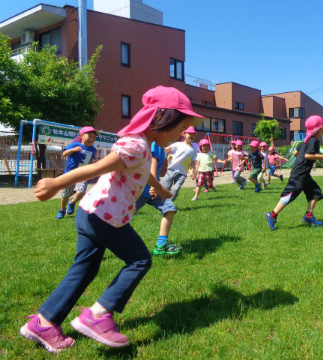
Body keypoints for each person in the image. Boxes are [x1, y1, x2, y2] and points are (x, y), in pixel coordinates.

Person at [19, 86, 203, 353]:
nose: (179, 136)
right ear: (163, 120)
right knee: (140, 259)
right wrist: (57, 183)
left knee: (84, 268)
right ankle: (98, 316)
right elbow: (94, 169)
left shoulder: (139, 145)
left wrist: (160, 187)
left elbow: (137, 168)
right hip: (104, 218)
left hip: (91, 213)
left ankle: (43, 322)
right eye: (180, 128)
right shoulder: (137, 145)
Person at [264, 115, 323, 231]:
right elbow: (307, 155)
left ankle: (309, 216)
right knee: (289, 195)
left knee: (316, 193)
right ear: (320, 128)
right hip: (300, 174)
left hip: (304, 174)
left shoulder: (305, 141)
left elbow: (296, 153)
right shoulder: (314, 140)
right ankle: (272, 215)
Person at [135, 142, 183, 256]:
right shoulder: (155, 142)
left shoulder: (161, 145)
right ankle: (94, 243)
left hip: (153, 189)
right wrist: (154, 185)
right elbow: (153, 161)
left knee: (170, 208)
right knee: (121, 219)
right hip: (142, 189)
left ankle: (161, 245)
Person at [55, 127, 98, 219]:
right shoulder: (75, 144)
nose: (92, 139)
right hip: (70, 174)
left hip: (83, 174)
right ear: (81, 136)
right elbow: (64, 154)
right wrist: (73, 150)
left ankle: (72, 202)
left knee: (81, 192)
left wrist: (91, 171)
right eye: (89, 136)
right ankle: (62, 210)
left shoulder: (93, 149)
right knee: (65, 194)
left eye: (94, 137)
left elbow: (91, 160)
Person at [161, 126, 197, 201]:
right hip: (172, 170)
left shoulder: (194, 149)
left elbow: (193, 162)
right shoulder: (178, 144)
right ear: (184, 134)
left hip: (182, 173)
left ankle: (169, 203)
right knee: (165, 188)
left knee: (176, 189)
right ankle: (159, 201)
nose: (192, 135)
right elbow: (165, 149)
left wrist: (192, 172)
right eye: (190, 133)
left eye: (193, 134)